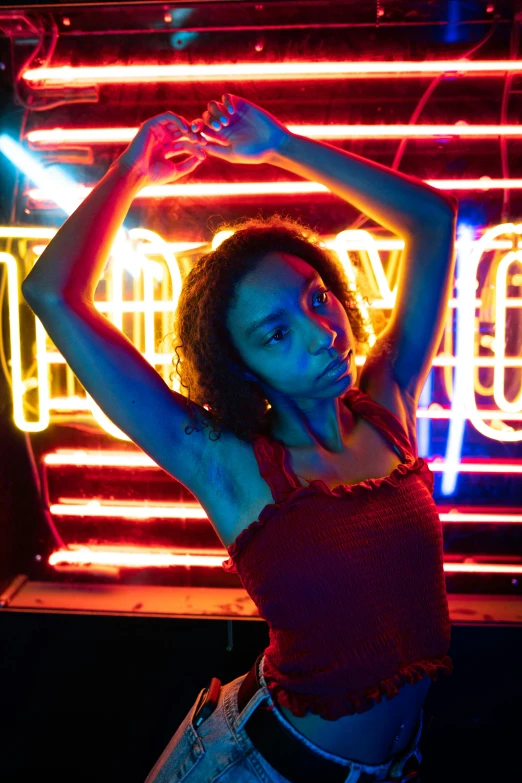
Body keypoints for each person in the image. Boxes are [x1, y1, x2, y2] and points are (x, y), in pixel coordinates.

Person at [22, 93, 458, 783]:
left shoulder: (386, 402)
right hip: (254, 768)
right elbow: (52, 294)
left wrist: (280, 147)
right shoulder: (226, 460)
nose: (323, 332)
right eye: (276, 333)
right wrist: (130, 171)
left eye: (318, 296)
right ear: (240, 365)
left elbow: (432, 220)